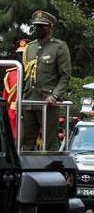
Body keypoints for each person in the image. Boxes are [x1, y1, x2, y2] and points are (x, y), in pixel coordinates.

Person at [21, 10, 72, 151]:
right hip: (30, 100)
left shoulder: (59, 47)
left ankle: (52, 170)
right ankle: (26, 170)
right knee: (26, 142)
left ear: (50, 27)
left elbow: (65, 76)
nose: (38, 29)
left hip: (48, 101)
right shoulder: (30, 47)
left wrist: (55, 95)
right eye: (36, 26)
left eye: (42, 26)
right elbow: (25, 75)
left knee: (50, 143)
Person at [2, 40, 27, 136]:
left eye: (23, 54)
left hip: (28, 110)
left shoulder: (35, 73)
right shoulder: (10, 73)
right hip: (14, 111)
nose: (21, 57)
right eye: (20, 54)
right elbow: (5, 96)